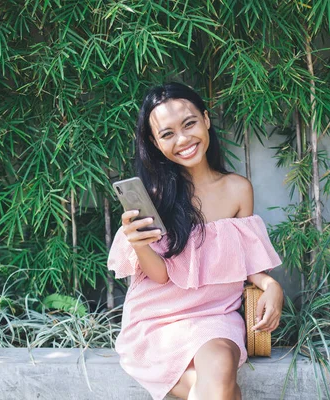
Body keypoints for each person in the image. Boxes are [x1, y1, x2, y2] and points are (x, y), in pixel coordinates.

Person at [107, 82, 284, 400]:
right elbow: (160, 275)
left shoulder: (237, 189)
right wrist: (137, 243)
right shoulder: (154, 199)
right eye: (168, 133)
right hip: (158, 320)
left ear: (206, 119)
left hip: (216, 315)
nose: (183, 139)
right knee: (222, 392)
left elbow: (244, 259)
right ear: (155, 142)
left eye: (189, 123)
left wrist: (272, 286)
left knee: (218, 367)